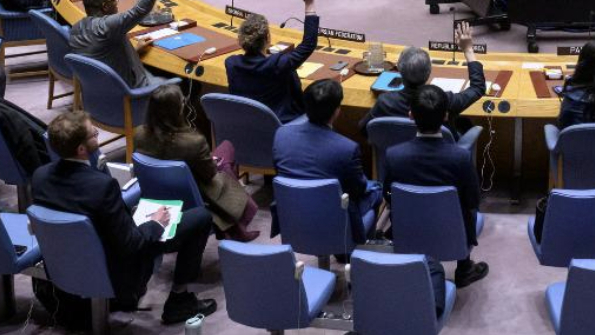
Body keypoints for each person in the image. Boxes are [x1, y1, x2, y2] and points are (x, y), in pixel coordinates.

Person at [32, 110, 218, 323]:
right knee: (201, 217)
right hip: (114, 270)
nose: (96, 133)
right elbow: (133, 245)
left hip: (67, 263)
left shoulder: (40, 177)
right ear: (81, 149)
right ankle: (179, 300)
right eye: (93, 134)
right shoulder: (101, 187)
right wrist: (156, 222)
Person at [384, 84, 489, 287]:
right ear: (446, 117)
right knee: (469, 209)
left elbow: (388, 195)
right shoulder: (461, 157)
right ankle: (464, 268)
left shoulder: (393, 155)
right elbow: (473, 200)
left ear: (411, 115)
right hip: (453, 231)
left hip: (407, 229)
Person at [135, 83, 259, 241]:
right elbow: (209, 175)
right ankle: (234, 227)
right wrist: (212, 162)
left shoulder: (139, 133)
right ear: (178, 110)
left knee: (222, 162)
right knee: (226, 152)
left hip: (160, 189)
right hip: (195, 191)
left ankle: (233, 228)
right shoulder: (194, 142)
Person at [273, 79, 383, 246]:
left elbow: (280, 172)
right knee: (376, 188)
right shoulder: (347, 148)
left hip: (292, 215)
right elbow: (358, 190)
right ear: (337, 111)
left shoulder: (281, 135)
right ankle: (355, 246)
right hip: (335, 218)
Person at [362, 21, 486, 135]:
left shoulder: (385, 101)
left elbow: (364, 129)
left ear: (399, 70)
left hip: (398, 155)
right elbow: (477, 88)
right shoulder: (444, 100)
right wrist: (468, 50)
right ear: (429, 72)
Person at [70, 0, 167, 89]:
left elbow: (101, 58)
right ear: (105, 6)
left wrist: (134, 50)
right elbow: (140, 9)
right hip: (128, 89)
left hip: (101, 91)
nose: (116, 3)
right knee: (187, 85)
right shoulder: (107, 26)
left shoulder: (76, 28)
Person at [225, 0, 318, 123]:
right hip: (283, 125)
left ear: (241, 40)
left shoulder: (231, 63)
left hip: (249, 125)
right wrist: (309, 4)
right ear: (268, 38)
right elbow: (308, 44)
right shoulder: (278, 64)